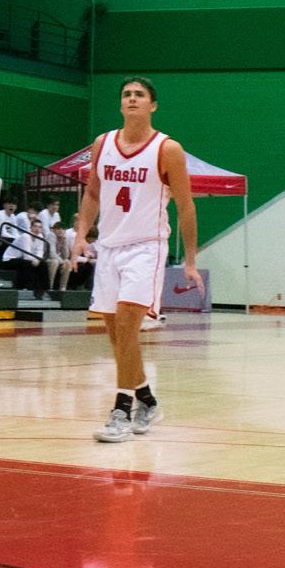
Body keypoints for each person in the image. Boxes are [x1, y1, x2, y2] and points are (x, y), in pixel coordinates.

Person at [72, 77, 199, 444]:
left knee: (128, 325)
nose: (131, 99)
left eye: (139, 95)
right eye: (126, 94)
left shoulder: (167, 149)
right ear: (120, 103)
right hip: (109, 247)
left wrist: (190, 260)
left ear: (152, 105)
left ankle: (121, 411)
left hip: (147, 246)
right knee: (117, 335)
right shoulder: (103, 143)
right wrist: (81, 235)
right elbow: (92, 193)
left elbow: (186, 206)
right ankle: (147, 399)